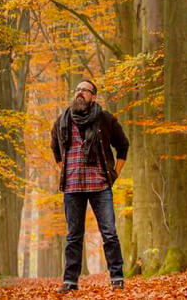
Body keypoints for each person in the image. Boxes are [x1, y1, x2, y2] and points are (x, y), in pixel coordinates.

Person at [50, 78, 128, 292]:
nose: (80, 93)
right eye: (78, 89)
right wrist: (65, 171)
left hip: (100, 186)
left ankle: (117, 278)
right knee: (73, 236)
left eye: (85, 90)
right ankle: (70, 282)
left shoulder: (104, 119)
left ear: (93, 96)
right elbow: (55, 149)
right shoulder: (62, 120)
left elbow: (123, 146)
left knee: (109, 233)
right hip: (72, 188)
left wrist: (114, 175)